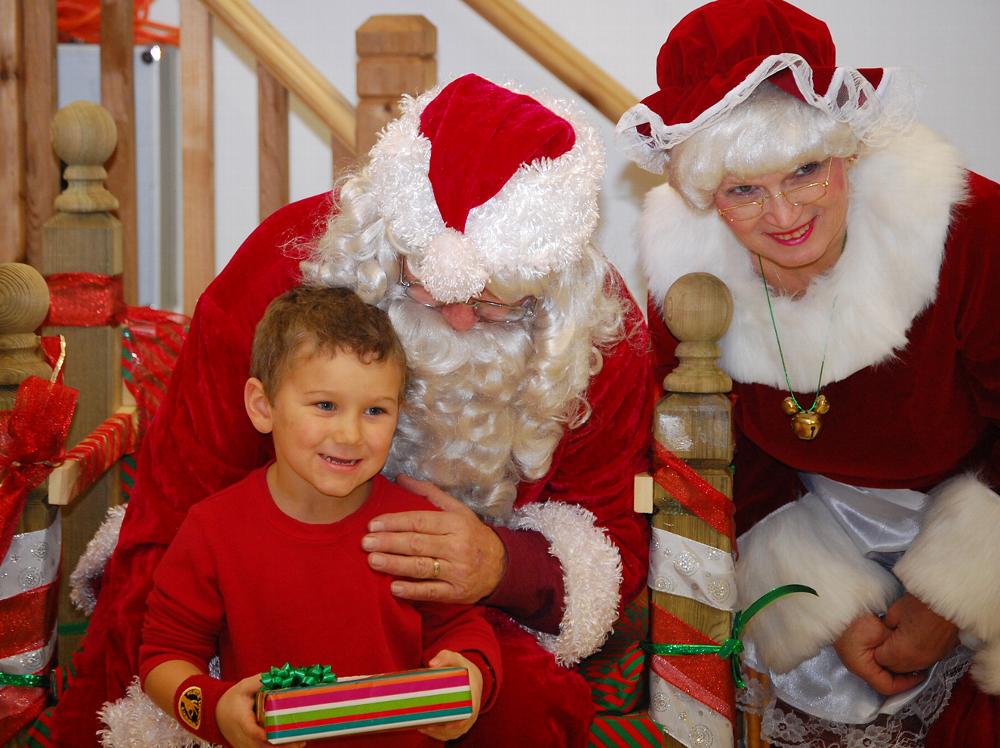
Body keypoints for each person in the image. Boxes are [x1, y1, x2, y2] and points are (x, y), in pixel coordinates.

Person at [54, 73, 654, 747]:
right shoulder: (288, 273)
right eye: (425, 287)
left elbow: (608, 535)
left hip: (449, 616)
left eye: (494, 302)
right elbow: (178, 508)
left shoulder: (594, 330)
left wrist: (500, 565)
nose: (458, 322)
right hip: (257, 605)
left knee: (524, 709)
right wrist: (196, 700)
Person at [617, 0, 1000, 745]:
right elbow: (722, 451)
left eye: (806, 170)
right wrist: (823, 599)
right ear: (705, 196)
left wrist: (951, 596)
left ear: (847, 153)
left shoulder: (969, 226)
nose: (785, 213)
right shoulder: (688, 276)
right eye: (743, 190)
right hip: (813, 535)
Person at [139, 286, 500, 747]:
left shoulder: (414, 528)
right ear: (263, 406)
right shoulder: (213, 530)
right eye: (325, 405)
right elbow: (162, 659)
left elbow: (464, 630)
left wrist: (472, 679)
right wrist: (214, 710)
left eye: (375, 411)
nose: (349, 434)